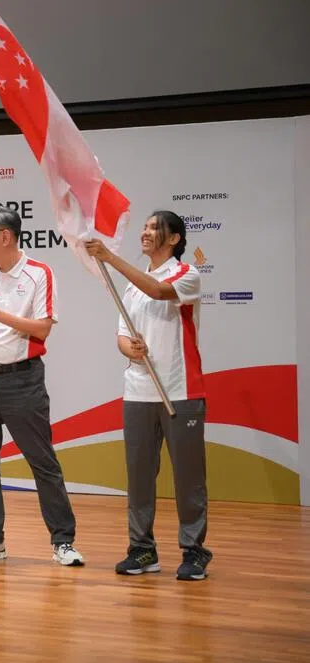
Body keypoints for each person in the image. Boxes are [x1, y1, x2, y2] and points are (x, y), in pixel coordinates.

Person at [0, 206, 83, 567]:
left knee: (42, 462)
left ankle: (63, 541)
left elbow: (41, 329)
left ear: (4, 237)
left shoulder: (39, 274)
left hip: (21, 380)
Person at [86, 211, 212, 581]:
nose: (145, 232)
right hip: (138, 391)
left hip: (181, 389)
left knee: (188, 476)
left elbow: (157, 291)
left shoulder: (187, 275)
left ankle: (194, 550)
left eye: (154, 228)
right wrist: (131, 349)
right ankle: (142, 550)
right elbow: (123, 333)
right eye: (144, 227)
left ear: (173, 239)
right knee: (140, 475)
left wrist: (110, 258)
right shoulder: (130, 287)